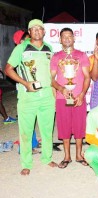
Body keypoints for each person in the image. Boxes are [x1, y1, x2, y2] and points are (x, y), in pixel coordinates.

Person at [4, 19, 57, 175]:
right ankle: (26, 163)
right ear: (29, 32)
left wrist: (54, 92)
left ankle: (47, 158)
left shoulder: (49, 48)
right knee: (26, 131)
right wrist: (25, 83)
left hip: (47, 96)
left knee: (47, 130)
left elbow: (51, 74)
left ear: (44, 31)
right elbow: (8, 69)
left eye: (39, 28)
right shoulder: (21, 48)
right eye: (33, 29)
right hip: (27, 97)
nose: (37, 31)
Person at [50, 28, 91, 168]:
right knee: (64, 126)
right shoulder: (56, 57)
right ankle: (67, 156)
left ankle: (79, 155)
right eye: (64, 37)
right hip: (62, 98)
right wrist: (61, 89)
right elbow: (52, 79)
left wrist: (82, 94)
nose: (67, 39)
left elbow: (87, 77)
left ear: (74, 39)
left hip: (79, 96)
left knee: (79, 126)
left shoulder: (82, 55)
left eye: (69, 36)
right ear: (60, 40)